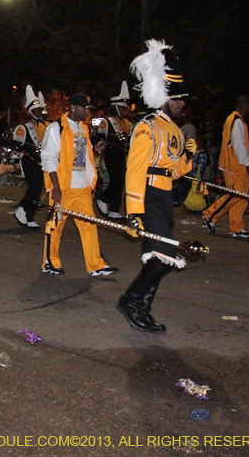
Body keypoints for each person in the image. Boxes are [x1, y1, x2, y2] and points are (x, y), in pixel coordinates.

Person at [117, 39, 195, 333]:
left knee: (160, 257)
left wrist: (187, 159)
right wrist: (134, 211)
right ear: (164, 96)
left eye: (183, 99)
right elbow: (135, 171)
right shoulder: (147, 126)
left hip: (163, 196)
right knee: (164, 257)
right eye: (178, 98)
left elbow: (171, 172)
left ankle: (142, 308)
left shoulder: (173, 129)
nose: (182, 103)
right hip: (148, 197)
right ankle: (130, 301)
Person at [41, 93, 117, 277]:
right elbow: (49, 158)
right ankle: (49, 262)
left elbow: (80, 156)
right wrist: (55, 187)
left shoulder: (83, 128)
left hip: (82, 188)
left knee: (89, 226)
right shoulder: (56, 128)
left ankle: (96, 265)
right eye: (85, 108)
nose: (87, 112)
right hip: (64, 188)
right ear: (73, 107)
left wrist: (94, 150)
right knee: (55, 227)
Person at [202, 96, 249, 237]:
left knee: (241, 197)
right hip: (235, 166)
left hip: (235, 164)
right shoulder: (236, 121)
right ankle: (209, 215)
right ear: (245, 105)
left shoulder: (233, 120)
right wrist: (248, 163)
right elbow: (238, 145)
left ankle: (236, 228)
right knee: (235, 195)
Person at [96, 81, 132, 219]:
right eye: (122, 108)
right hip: (111, 154)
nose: (124, 110)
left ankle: (114, 209)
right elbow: (98, 138)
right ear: (115, 107)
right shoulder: (107, 121)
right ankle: (103, 199)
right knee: (115, 180)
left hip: (122, 154)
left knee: (120, 181)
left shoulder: (127, 122)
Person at [13, 86, 46, 228]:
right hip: (28, 161)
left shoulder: (43, 126)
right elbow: (15, 146)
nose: (39, 112)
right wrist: (23, 155)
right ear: (30, 111)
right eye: (36, 110)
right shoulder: (24, 127)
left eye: (39, 110)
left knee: (37, 189)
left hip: (40, 162)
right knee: (34, 186)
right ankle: (23, 208)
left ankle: (29, 215)